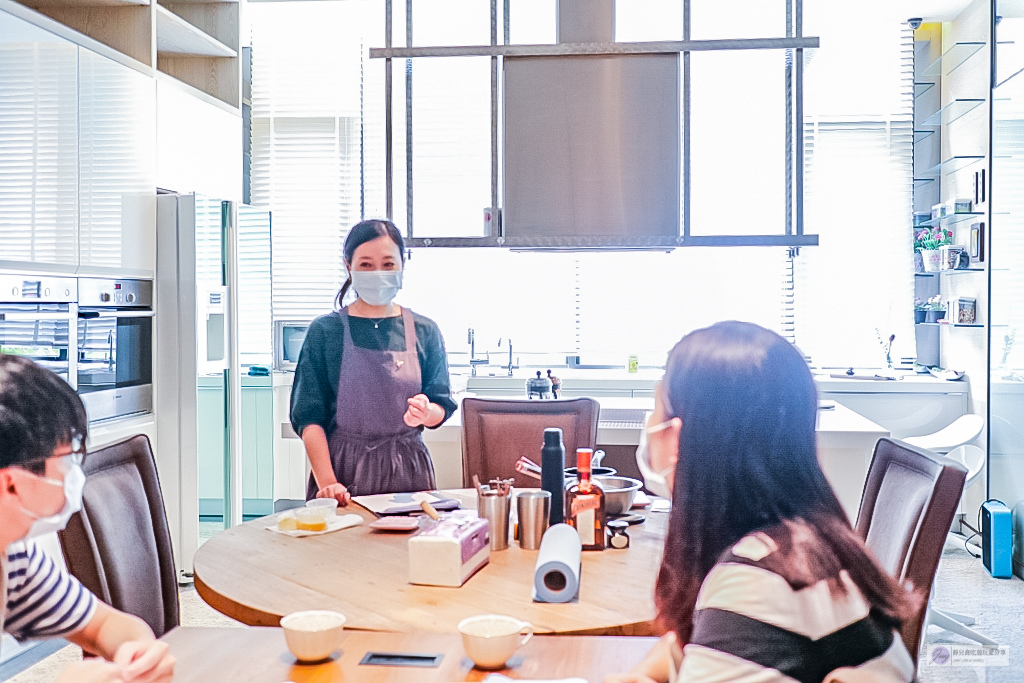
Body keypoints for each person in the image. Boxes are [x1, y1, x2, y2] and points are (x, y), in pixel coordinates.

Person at [607, 322, 917, 683]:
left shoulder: (758, 584)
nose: (650, 426)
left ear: (682, 437)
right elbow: (684, 648)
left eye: (658, 409)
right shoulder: (798, 544)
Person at [0, 354, 175, 683]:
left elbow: (104, 625)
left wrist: (136, 652)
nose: (74, 476)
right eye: (66, 461)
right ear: (12, 483)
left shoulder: (13, 558)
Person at [290, 219, 457, 505]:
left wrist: (427, 412)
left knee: (408, 549)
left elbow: (441, 405)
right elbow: (309, 418)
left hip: (409, 473)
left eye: (388, 264)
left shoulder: (424, 330)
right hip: (344, 471)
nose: (377, 273)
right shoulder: (325, 332)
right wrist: (329, 483)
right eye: (366, 264)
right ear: (348, 266)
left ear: (402, 265)